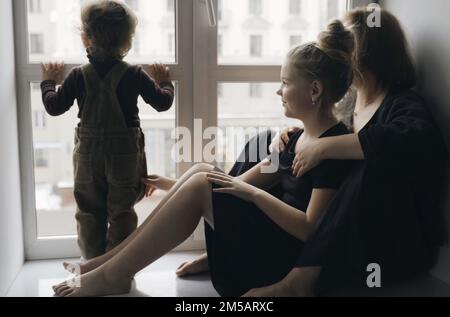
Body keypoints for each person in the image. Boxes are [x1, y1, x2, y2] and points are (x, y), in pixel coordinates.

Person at [52, 20, 355, 297]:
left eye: (286, 82)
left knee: (201, 183)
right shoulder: (297, 137)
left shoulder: (331, 150)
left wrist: (253, 195)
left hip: (275, 263)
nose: (279, 91)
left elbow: (310, 229)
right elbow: (236, 183)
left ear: (315, 90)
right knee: (203, 170)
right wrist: (175, 186)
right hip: (266, 242)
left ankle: (114, 274)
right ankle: (107, 264)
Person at [269, 7, 448, 295]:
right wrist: (300, 138)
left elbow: (413, 139)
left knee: (367, 166)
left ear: (364, 52)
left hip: (396, 247)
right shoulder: (350, 103)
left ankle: (299, 280)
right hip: (347, 237)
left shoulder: (402, 103)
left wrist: (324, 146)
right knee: (274, 144)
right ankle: (230, 235)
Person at [40, 0, 174, 260]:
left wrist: (48, 81)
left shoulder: (78, 75)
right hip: (123, 156)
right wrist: (165, 83)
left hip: (89, 157)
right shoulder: (134, 74)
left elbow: (54, 107)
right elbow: (162, 103)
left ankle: (92, 266)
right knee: (121, 213)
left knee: (89, 212)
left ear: (85, 39)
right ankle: (116, 269)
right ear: (127, 42)